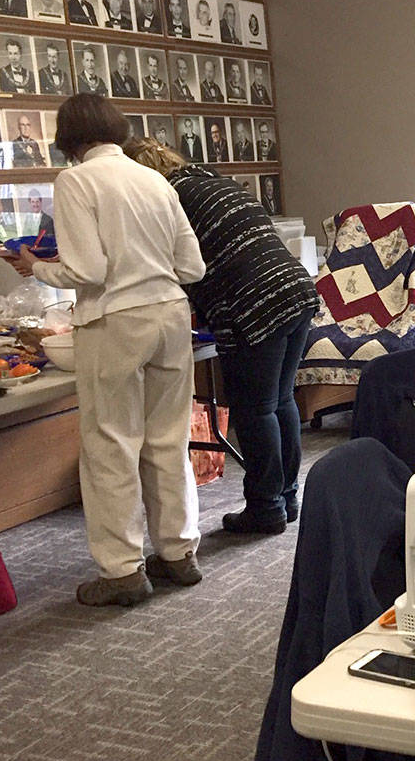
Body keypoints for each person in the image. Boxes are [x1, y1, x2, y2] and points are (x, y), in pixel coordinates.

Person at [4, 94, 206, 606]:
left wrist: (37, 266)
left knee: (111, 444)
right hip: (170, 313)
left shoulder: (75, 181)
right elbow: (193, 267)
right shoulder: (154, 178)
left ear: (68, 139)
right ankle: (178, 553)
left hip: (114, 318)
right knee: (167, 438)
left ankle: (121, 572)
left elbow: (88, 271)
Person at [126, 137, 320, 533]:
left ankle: (266, 509)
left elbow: (173, 265)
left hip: (254, 302)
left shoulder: (164, 198)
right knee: (280, 400)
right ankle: (286, 497)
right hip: (295, 289)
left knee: (256, 409)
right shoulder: (212, 181)